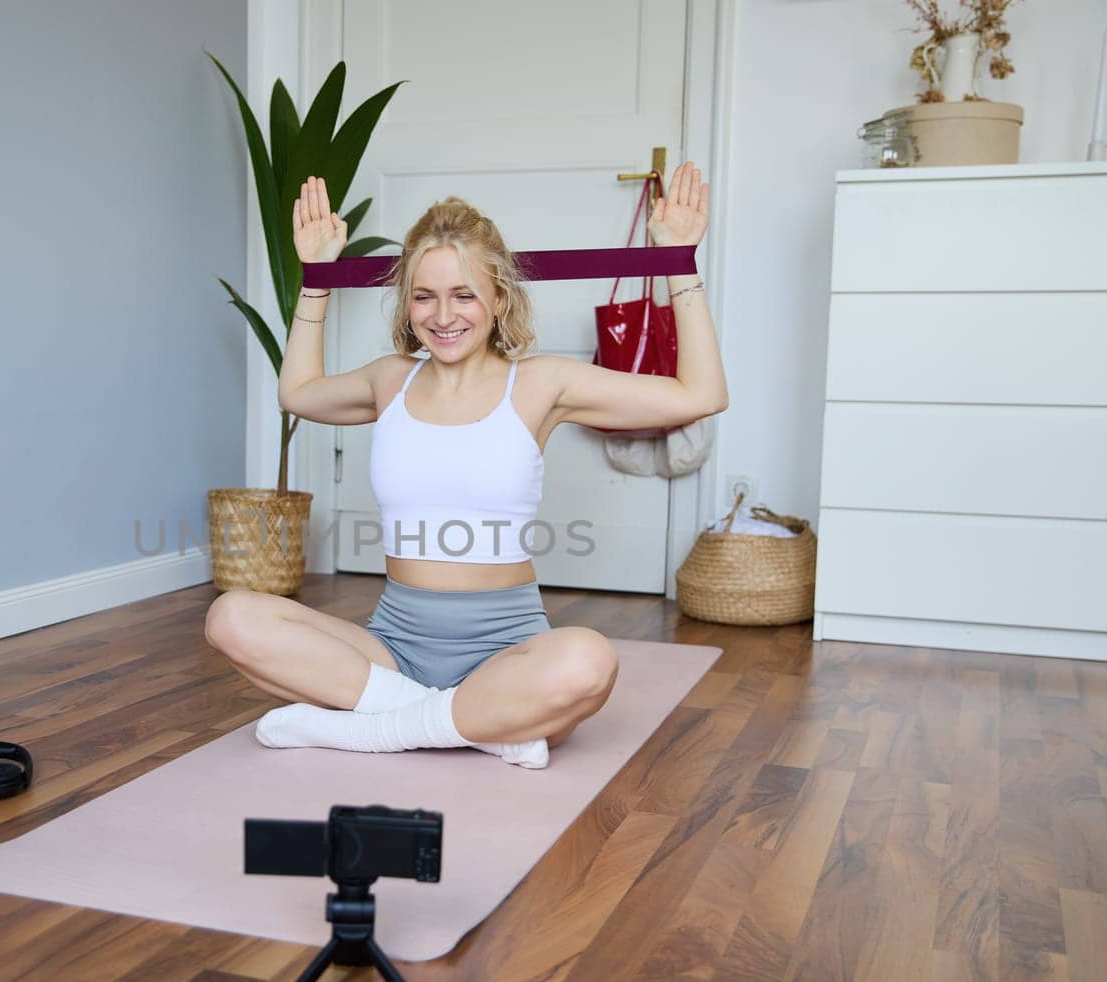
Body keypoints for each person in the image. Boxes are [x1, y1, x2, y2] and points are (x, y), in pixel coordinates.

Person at [204, 164, 726, 768]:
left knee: (589, 661)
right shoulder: (389, 380)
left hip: (506, 653)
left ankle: (376, 729)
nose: (442, 315)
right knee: (232, 616)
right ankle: (460, 722)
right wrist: (316, 276)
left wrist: (679, 262)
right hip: (393, 647)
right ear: (406, 302)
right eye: (424, 296)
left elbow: (701, 394)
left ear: (499, 298)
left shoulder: (541, 384)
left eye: (464, 295)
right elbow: (297, 392)